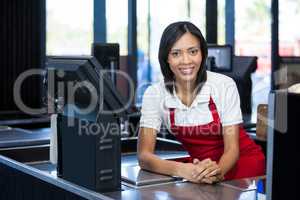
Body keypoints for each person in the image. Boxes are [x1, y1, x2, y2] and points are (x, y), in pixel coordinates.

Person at [137, 21, 265, 184]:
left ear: (202, 54)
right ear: (166, 58)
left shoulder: (224, 85)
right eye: (176, 53)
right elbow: (144, 156)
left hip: (242, 169)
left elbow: (232, 150)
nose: (186, 61)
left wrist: (216, 172)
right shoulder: (155, 94)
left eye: (193, 51)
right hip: (198, 172)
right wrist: (183, 170)